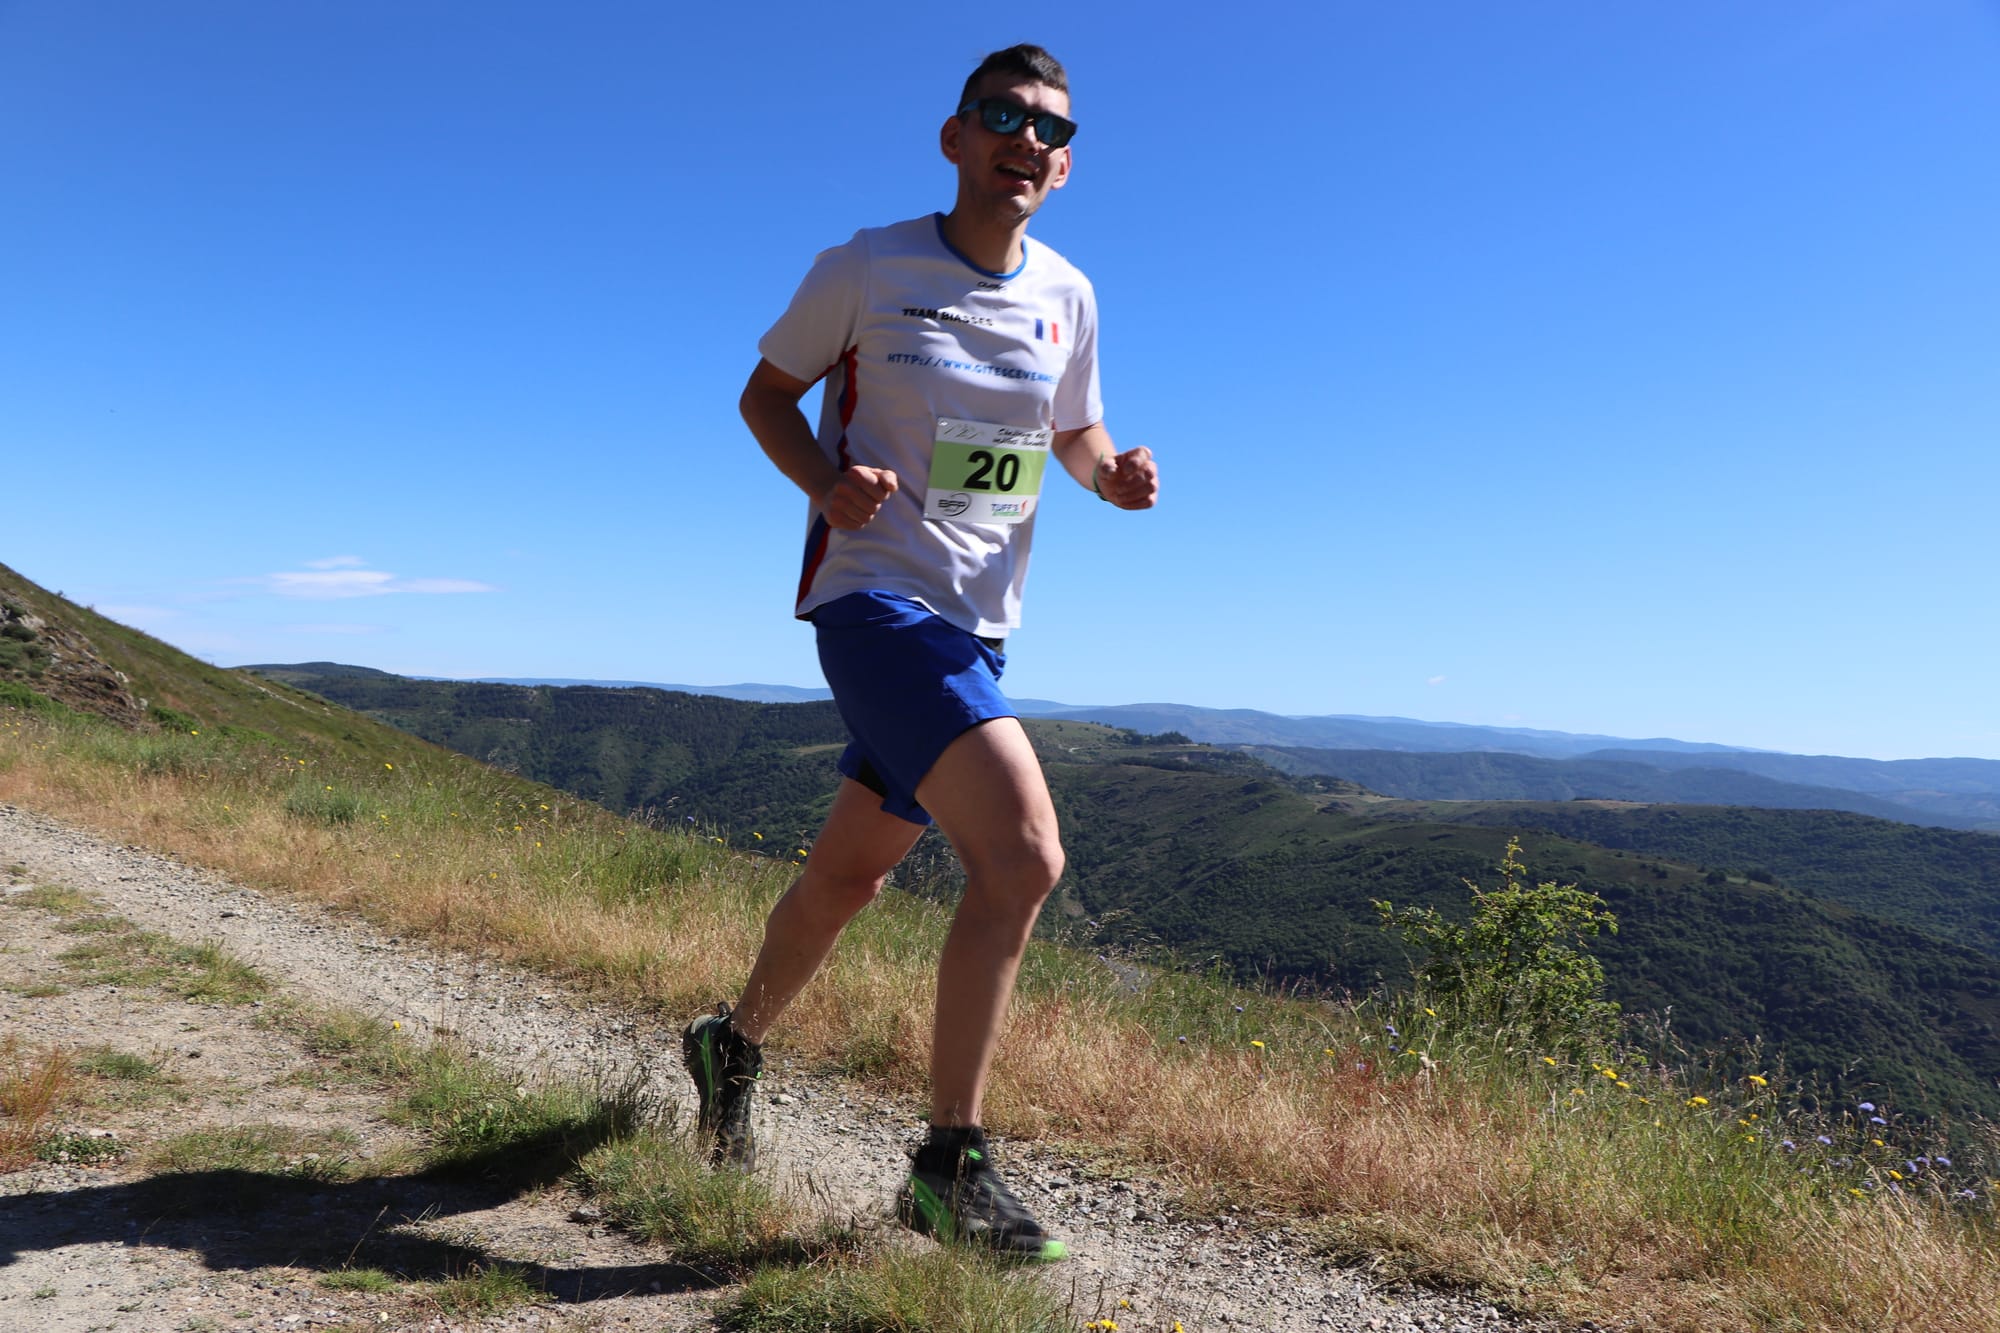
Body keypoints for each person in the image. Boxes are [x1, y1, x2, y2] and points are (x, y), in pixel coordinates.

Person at [683, 42, 1159, 1263]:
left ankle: (728, 1043)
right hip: (872, 599)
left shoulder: (1068, 292)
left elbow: (1073, 424)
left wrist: (1107, 474)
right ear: (953, 137)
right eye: (1002, 116)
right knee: (1024, 856)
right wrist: (828, 482)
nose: (1026, 140)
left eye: (1049, 129)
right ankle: (948, 1167)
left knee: (849, 878)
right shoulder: (868, 264)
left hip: (977, 625)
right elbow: (764, 396)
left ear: (1063, 167)